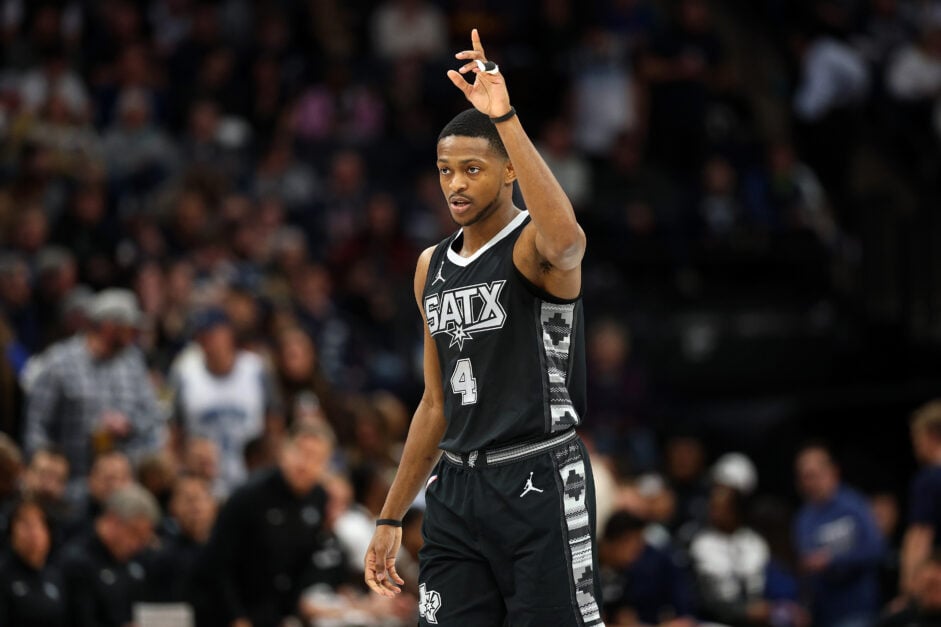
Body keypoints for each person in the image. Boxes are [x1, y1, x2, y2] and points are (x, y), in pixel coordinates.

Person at [364, 29, 604, 626]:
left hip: (539, 474)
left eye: (473, 169)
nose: (456, 184)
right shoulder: (431, 266)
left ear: (508, 174)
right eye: (446, 170)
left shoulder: (531, 247)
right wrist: (391, 516)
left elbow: (570, 242)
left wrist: (507, 118)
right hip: (456, 488)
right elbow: (434, 403)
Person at [191, 423, 333, 627]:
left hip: (274, 613)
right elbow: (216, 563)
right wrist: (235, 618)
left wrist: (291, 612)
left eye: (315, 457)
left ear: (325, 465)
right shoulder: (249, 495)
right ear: (284, 452)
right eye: (299, 452)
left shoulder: (319, 498)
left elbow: (305, 561)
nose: (304, 462)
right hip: (229, 611)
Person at [23, 288, 164, 488]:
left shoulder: (133, 363)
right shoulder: (59, 362)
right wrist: (48, 470)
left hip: (124, 483)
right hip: (71, 484)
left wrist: (129, 424)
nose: (135, 334)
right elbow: (36, 427)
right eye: (130, 327)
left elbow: (153, 418)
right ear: (108, 326)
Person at [793, 444, 884, 627]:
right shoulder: (803, 518)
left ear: (833, 471)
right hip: (823, 614)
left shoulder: (853, 505)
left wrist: (832, 560)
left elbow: (876, 549)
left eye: (813, 475)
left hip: (858, 609)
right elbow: (805, 567)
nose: (809, 482)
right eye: (804, 477)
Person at [59, 483, 161, 627]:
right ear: (112, 521)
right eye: (135, 533)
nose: (138, 544)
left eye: (144, 539)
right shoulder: (78, 560)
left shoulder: (135, 561)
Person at [598, 510, 696, 627]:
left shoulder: (626, 571)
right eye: (636, 544)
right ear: (619, 541)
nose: (640, 551)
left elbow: (626, 617)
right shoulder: (588, 567)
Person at [0, 497, 68, 627]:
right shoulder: (3, 576)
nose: (33, 533)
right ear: (11, 533)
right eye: (25, 524)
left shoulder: (55, 575)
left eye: (39, 524)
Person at [902, 401, 941, 598]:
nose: (916, 446)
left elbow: (920, 536)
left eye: (917, 439)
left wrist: (909, 588)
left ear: (932, 436)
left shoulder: (929, 479)